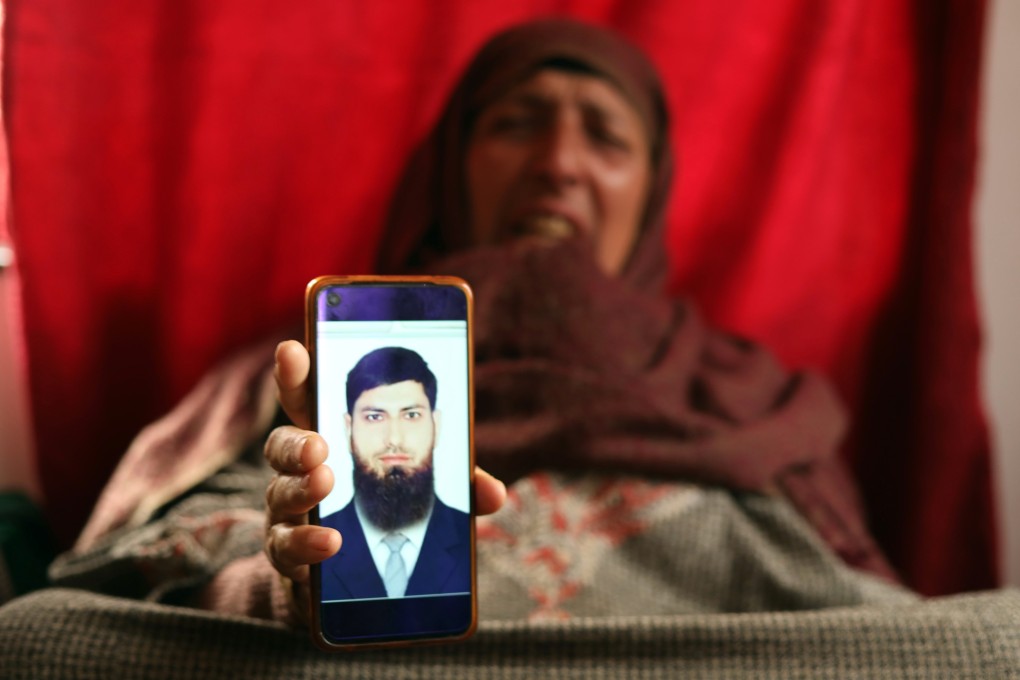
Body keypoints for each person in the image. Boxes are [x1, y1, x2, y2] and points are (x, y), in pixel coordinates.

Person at [49, 18, 901, 627]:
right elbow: (108, 595)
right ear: (449, 174)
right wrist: (272, 590)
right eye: (516, 125)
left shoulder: (752, 397)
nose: (558, 164)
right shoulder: (298, 368)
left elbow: (868, 618)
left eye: (604, 137)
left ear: (651, 196)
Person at [318, 346, 470, 600]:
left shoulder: (476, 538)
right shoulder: (317, 542)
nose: (394, 439)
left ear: (437, 426)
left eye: (411, 415)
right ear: (349, 429)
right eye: (375, 417)